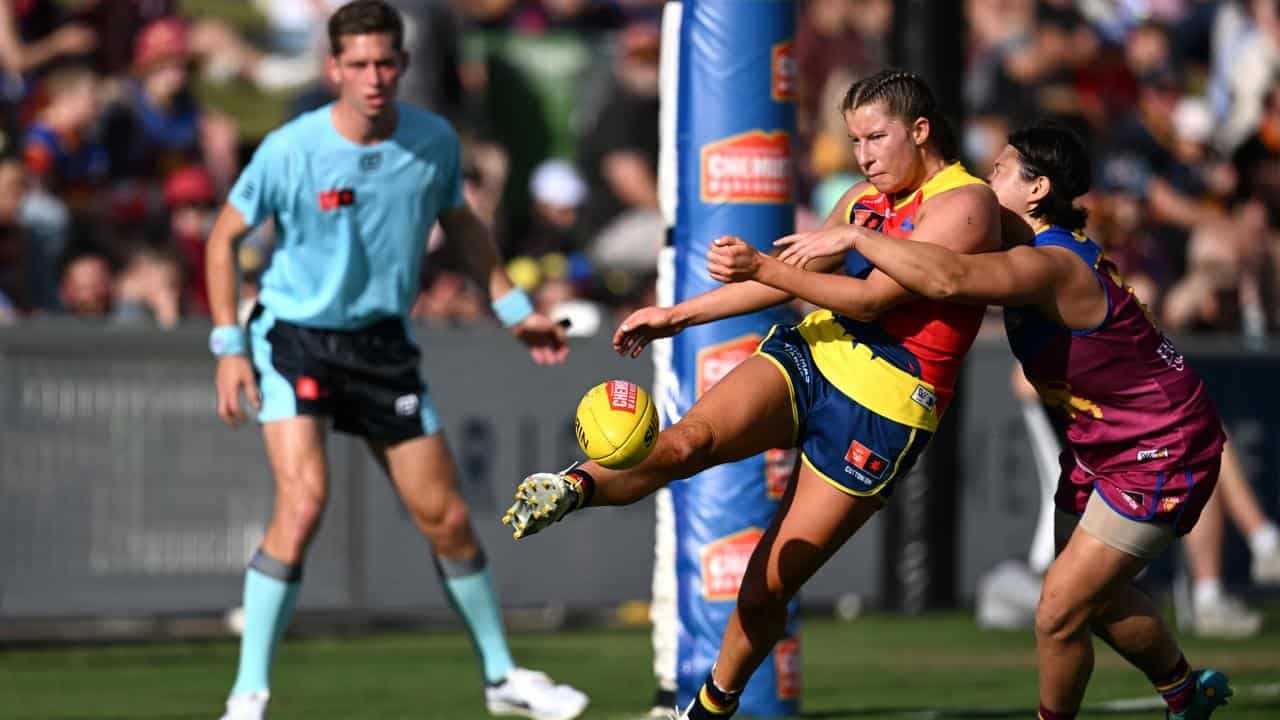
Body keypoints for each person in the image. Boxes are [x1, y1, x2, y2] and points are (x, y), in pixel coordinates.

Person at [503, 69, 1001, 719]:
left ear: (921, 130)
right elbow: (792, 276)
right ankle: (573, 486)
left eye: (876, 138)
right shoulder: (862, 199)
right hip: (814, 352)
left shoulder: (965, 203)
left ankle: (711, 706)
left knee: (767, 585)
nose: (863, 156)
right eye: (854, 141)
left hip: (883, 407)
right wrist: (678, 315)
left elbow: (874, 300)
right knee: (688, 440)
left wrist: (768, 264)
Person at [773, 122, 1233, 720]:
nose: (985, 177)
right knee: (1093, 600)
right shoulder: (1022, 253)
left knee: (1059, 609)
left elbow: (947, 277)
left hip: (1161, 445)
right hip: (1101, 444)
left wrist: (855, 236)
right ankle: (1185, 694)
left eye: (1000, 169)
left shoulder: (1053, 265)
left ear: (1038, 189)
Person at [204, 3, 584, 720]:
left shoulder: (432, 140)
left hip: (383, 346)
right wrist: (229, 348)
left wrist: (514, 312)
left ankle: (502, 678)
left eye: (385, 62)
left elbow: (461, 225)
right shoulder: (292, 149)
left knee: (447, 518)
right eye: (358, 64)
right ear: (333, 69)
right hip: (295, 338)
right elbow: (222, 237)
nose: (373, 77)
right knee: (304, 502)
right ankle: (247, 695)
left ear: (404, 64)